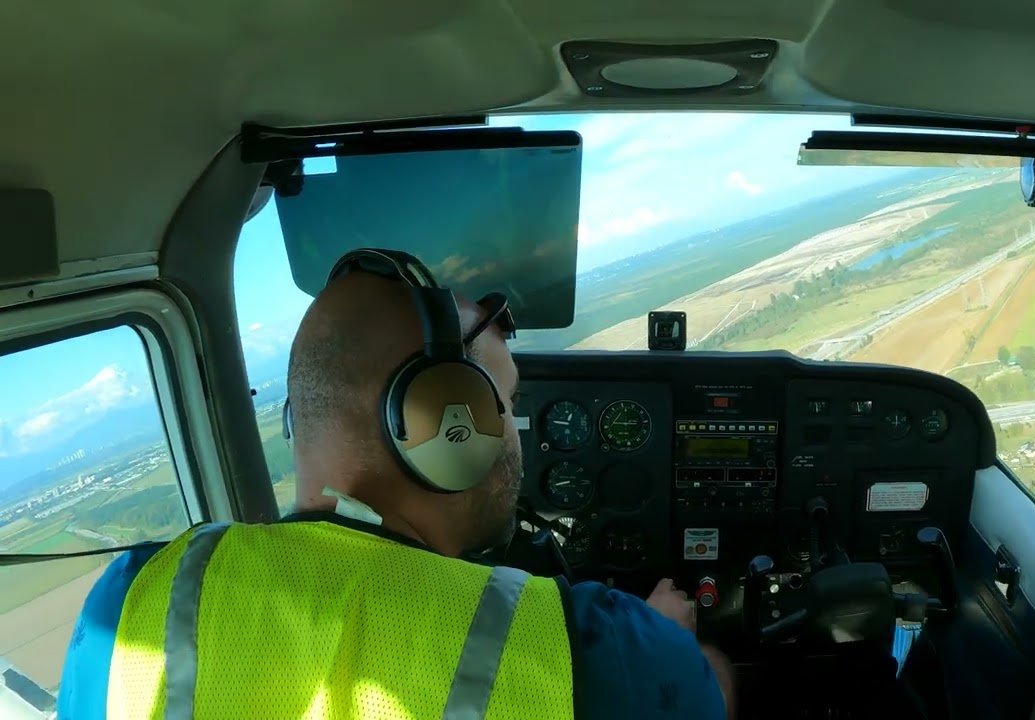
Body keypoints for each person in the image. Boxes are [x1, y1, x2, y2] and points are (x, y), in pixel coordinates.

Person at [59, 249, 734, 719]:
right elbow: (708, 695)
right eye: (506, 404)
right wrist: (668, 637)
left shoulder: (132, 599)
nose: (516, 442)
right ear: (451, 430)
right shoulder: (592, 647)